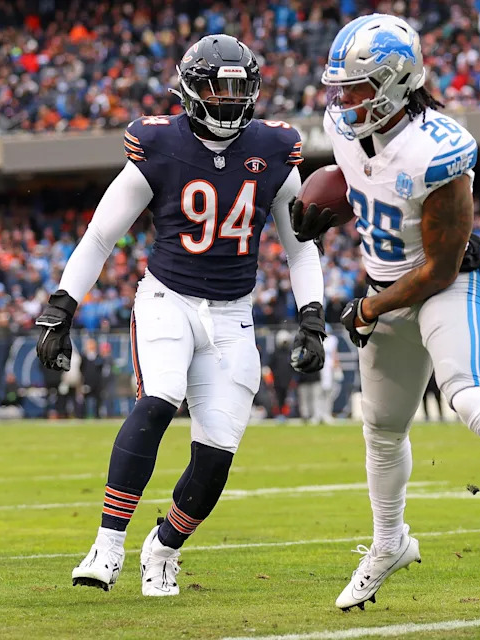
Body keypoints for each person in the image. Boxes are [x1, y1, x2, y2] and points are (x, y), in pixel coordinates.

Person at [290, 14, 480, 609]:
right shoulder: (346, 126)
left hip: (443, 286)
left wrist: (366, 307)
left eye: (358, 87)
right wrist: (328, 197)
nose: (344, 100)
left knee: (467, 394)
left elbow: (436, 265)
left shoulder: (440, 150)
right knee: (381, 430)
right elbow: (366, 181)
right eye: (341, 87)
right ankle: (390, 543)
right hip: (384, 288)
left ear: (394, 83)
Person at [34, 35, 326, 597]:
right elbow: (100, 236)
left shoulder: (274, 147)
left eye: (239, 88)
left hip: (233, 314)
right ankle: (108, 543)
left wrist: (311, 317)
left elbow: (300, 247)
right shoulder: (159, 144)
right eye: (218, 87)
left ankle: (163, 546)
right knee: (159, 401)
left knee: (217, 453)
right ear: (191, 89)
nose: (229, 100)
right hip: (168, 300)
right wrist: (61, 306)